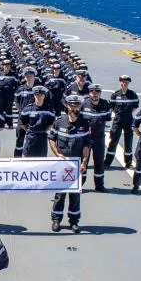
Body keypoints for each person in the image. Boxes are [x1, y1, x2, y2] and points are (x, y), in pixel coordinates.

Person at [48, 95, 90, 233]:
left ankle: (74, 221)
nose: (74, 108)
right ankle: (56, 220)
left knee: (75, 195)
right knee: (60, 194)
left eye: (76, 106)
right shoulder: (59, 123)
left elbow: (86, 145)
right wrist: (57, 154)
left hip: (76, 166)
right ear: (67, 106)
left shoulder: (84, 124)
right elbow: (52, 139)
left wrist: (84, 162)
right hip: (62, 165)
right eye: (72, 105)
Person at [80, 83, 112, 192]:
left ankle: (99, 186)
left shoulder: (105, 104)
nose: (95, 94)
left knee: (99, 162)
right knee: (84, 161)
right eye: (92, 92)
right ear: (89, 93)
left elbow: (107, 118)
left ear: (100, 93)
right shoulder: (84, 104)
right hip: (86, 139)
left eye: (97, 92)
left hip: (99, 138)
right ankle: (79, 185)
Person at [106, 75, 140, 169]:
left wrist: (127, 113)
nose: (124, 83)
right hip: (118, 120)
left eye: (126, 82)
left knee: (128, 142)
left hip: (128, 119)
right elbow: (112, 106)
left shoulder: (133, 94)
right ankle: (107, 162)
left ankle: (128, 162)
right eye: (123, 81)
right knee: (113, 141)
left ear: (128, 83)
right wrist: (119, 114)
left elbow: (135, 106)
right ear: (120, 82)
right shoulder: (115, 95)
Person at [19, 86, 56, 157]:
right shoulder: (28, 109)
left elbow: (52, 123)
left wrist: (44, 130)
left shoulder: (49, 110)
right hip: (31, 137)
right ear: (34, 95)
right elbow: (21, 122)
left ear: (44, 96)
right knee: (27, 158)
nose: (39, 97)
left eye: (41, 95)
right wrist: (28, 130)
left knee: (41, 159)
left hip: (42, 137)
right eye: (37, 94)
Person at [13, 67, 39, 157]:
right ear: (24, 77)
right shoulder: (20, 89)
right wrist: (21, 112)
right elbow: (16, 102)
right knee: (20, 140)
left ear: (34, 77)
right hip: (22, 120)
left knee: (33, 140)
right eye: (27, 76)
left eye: (31, 75)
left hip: (34, 119)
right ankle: (17, 159)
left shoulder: (38, 89)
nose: (29, 77)